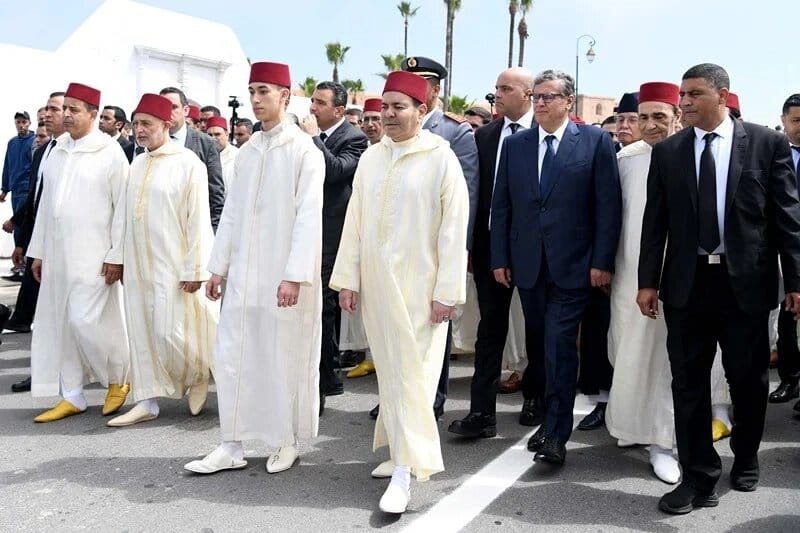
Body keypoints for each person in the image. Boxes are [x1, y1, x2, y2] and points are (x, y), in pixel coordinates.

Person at [637, 63, 800, 514]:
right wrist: (648, 281)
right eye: (683, 94)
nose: (684, 101)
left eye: (694, 94)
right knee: (688, 383)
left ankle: (745, 456)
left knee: (748, 380)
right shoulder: (668, 152)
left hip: (745, 284)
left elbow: (787, 218)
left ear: (723, 96)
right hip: (687, 285)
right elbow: (655, 222)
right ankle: (698, 477)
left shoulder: (766, 144)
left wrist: (796, 282)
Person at [330, 70, 468, 513]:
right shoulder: (372, 158)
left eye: (399, 107)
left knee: (416, 378)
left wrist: (447, 291)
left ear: (421, 111)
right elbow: (355, 222)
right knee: (391, 374)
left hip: (422, 291)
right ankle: (399, 453)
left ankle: (405, 473)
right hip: (377, 287)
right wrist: (349, 279)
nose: (388, 115)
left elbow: (454, 229)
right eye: (385, 106)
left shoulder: (440, 156)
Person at [184, 61, 324, 476]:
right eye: (252, 91)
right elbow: (231, 213)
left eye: (264, 91)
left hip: (284, 278)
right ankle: (231, 443)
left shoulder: (304, 151)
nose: (256, 99)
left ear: (285, 95)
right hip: (244, 275)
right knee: (233, 357)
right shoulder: (247, 152)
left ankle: (285, 440)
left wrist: (294, 275)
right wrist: (218, 268)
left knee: (280, 357)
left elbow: (308, 218)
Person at [491, 69, 621, 466]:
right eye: (537, 96)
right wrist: (500, 258)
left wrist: (601, 261)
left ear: (568, 101)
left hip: (574, 266)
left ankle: (556, 435)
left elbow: (607, 206)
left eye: (549, 96)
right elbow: (502, 205)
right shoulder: (516, 145)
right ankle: (548, 420)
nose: (541, 102)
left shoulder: (595, 141)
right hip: (528, 266)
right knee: (541, 346)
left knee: (559, 345)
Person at [107, 93, 218, 427]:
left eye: (147, 124)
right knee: (141, 331)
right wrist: (117, 256)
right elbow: (122, 216)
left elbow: (198, 219)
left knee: (171, 332)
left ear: (166, 124)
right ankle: (147, 400)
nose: (139, 130)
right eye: (136, 124)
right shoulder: (136, 164)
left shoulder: (189, 163)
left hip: (173, 263)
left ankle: (198, 374)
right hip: (138, 263)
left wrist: (196, 267)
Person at [449, 67, 543, 439]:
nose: (498, 95)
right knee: (490, 331)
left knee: (537, 328)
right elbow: (474, 192)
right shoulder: (485, 136)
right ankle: (481, 412)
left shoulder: (546, 132)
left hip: (536, 249)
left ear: (529, 94)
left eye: (506, 88)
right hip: (491, 247)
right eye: (496, 89)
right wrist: (470, 245)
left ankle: (535, 398)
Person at [27, 82, 130, 422]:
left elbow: (123, 208)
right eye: (65, 108)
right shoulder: (57, 150)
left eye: (75, 109)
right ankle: (72, 394)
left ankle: (118, 378)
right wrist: (38, 252)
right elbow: (46, 208)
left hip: (95, 256)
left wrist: (117, 255)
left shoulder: (109, 152)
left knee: (85, 320)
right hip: (57, 255)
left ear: (93, 114)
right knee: (62, 325)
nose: (67, 115)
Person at [606, 81, 683, 484]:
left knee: (665, 362)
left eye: (659, 117)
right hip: (627, 277)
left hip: (676, 278)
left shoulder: (689, 154)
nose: (651, 125)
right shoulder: (625, 159)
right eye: (644, 117)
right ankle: (632, 426)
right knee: (627, 354)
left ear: (677, 116)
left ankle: (663, 442)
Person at [299, 81, 368, 409]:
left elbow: (335, 171)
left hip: (333, 238)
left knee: (324, 310)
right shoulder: (303, 136)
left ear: (339, 110)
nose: (313, 108)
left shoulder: (354, 139)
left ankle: (326, 382)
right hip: (305, 231)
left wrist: (314, 139)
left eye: (321, 103)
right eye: (312, 101)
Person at [6, 93, 64, 392]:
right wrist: (23, 241)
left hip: (68, 248)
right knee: (44, 315)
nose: (47, 116)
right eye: (46, 111)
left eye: (55, 109)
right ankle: (45, 371)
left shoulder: (82, 153)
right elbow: (35, 200)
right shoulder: (43, 152)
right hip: (41, 245)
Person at [769, 94, 800, 407]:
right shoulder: (771, 153)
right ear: (783, 120)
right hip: (783, 249)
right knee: (788, 316)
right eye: (797, 120)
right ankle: (790, 379)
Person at [158, 87, 225, 231]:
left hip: (193, 228)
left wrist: (213, 232)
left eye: (174, 107)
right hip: (159, 227)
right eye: (163, 106)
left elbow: (215, 194)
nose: (168, 111)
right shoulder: (151, 142)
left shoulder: (205, 143)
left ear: (186, 110)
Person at [2, 111, 34, 252]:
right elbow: (7, 165)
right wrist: (4, 189)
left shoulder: (34, 141)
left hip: (27, 191)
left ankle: (24, 259)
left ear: (29, 123)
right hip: (15, 191)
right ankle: (19, 259)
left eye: (24, 122)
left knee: (22, 225)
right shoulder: (12, 143)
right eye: (18, 122)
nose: (21, 125)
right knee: (16, 226)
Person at [205, 115, 237, 193]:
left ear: (227, 135)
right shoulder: (203, 156)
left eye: (217, 134)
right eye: (210, 135)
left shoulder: (237, 156)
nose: (213, 138)